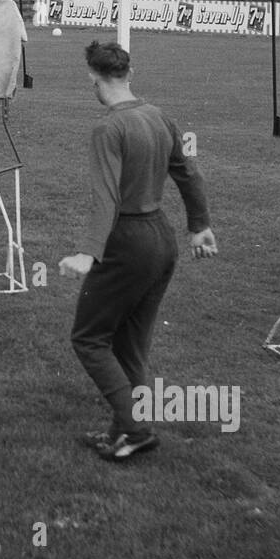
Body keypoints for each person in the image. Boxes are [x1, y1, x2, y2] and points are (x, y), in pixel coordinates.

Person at [58, 41, 218, 461]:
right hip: (162, 240)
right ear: (130, 74)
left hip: (128, 243)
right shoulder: (158, 116)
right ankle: (122, 430)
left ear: (92, 77)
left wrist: (89, 253)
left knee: (89, 338)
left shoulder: (108, 128)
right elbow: (189, 173)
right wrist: (199, 226)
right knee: (129, 345)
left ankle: (134, 428)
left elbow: (106, 198)